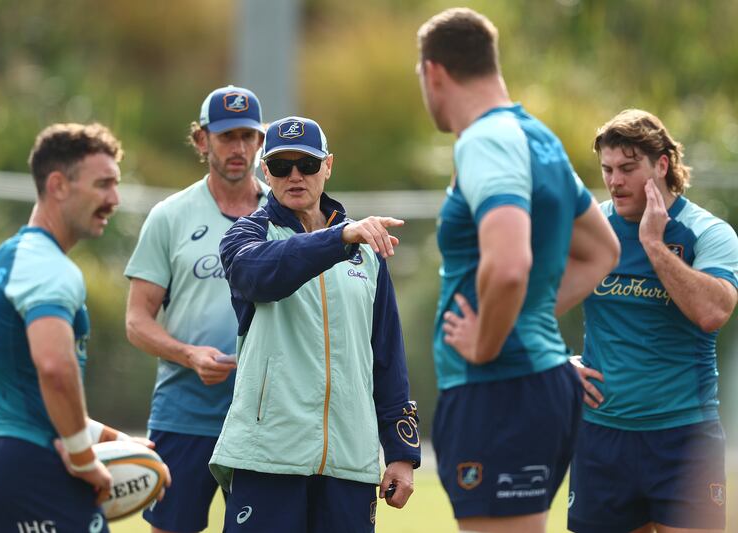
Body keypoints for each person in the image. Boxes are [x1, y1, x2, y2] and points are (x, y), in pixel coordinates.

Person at [415, 8, 621, 533]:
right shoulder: (540, 139)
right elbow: (603, 251)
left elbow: (508, 266)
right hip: (533, 382)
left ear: (433, 72)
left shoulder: (483, 140)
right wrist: (524, 321)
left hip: (500, 386)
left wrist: (488, 339)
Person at [209, 115, 421, 532]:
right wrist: (339, 239)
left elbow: (387, 358)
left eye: (306, 164)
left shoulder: (367, 250)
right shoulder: (245, 236)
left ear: (328, 166)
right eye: (281, 165)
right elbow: (262, 276)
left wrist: (401, 451)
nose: (294, 175)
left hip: (350, 462)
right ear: (264, 171)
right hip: (267, 456)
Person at [0, 123, 168, 532]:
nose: (115, 199)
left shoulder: (11, 255)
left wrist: (110, 440)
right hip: (35, 465)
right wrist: (83, 457)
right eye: (103, 184)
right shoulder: (51, 268)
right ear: (58, 184)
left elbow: (31, 393)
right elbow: (55, 368)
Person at [568, 109, 738, 533]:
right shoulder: (591, 228)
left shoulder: (706, 232)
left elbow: (712, 312)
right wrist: (555, 359)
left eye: (627, 168)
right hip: (602, 436)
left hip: (683, 437)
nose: (614, 181)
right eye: (607, 169)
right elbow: (529, 299)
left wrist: (653, 245)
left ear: (662, 165)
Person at [124, 85, 268, 533]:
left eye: (248, 136)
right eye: (227, 137)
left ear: (261, 142)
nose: (239, 148)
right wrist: (190, 355)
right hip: (184, 414)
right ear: (202, 140)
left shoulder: (286, 214)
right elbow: (137, 320)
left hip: (264, 417)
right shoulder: (170, 216)